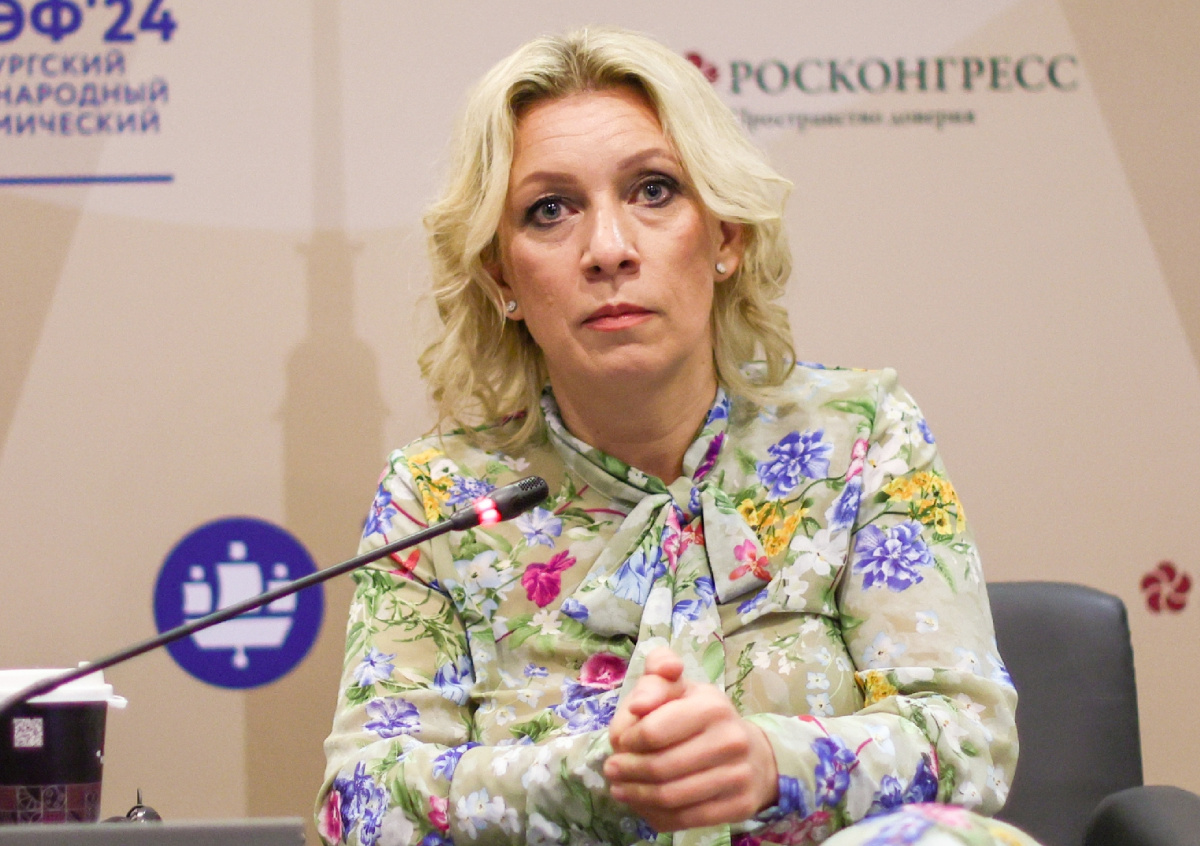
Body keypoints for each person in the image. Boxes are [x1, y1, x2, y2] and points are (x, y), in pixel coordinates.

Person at [317, 27, 1040, 846]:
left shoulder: (859, 434)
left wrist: (768, 764)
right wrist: (599, 776)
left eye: (653, 191)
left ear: (726, 237)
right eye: (550, 210)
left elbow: (968, 742)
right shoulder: (439, 497)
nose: (608, 250)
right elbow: (361, 801)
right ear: (501, 276)